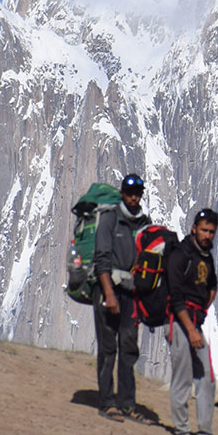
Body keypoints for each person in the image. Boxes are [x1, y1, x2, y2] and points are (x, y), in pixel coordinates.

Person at [93, 173, 153, 422]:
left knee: (129, 348)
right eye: (130, 192)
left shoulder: (144, 223)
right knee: (108, 348)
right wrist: (108, 294)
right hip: (109, 291)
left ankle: (128, 404)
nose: (134, 196)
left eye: (138, 192)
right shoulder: (110, 219)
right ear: (123, 193)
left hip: (132, 294)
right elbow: (101, 258)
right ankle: (107, 402)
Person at [165, 207, 218, 435]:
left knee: (206, 379)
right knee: (182, 378)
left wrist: (202, 310)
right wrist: (190, 328)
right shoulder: (180, 255)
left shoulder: (206, 257)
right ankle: (180, 433)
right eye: (204, 230)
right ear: (194, 229)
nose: (208, 235)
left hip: (195, 323)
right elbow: (175, 297)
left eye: (211, 231)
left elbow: (212, 285)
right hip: (180, 323)